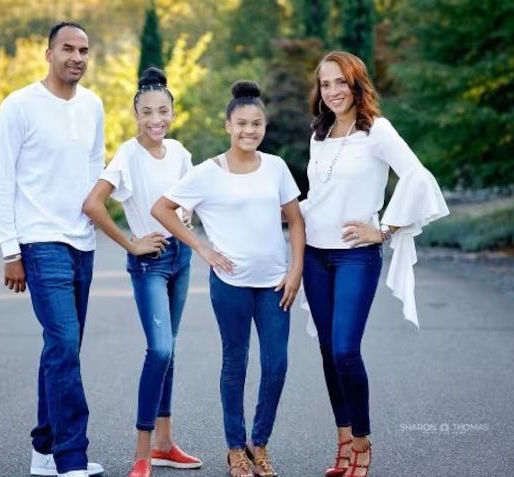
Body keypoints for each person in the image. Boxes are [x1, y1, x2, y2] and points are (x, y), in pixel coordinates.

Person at [300, 50, 449, 477]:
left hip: (356, 258)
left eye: (340, 82)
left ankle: (363, 439)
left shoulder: (376, 131)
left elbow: (418, 176)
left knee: (346, 349)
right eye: (325, 84)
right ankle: (342, 442)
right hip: (315, 253)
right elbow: (320, 195)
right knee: (328, 351)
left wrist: (383, 229)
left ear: (356, 83)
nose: (332, 92)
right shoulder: (320, 134)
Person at [152, 81, 305, 477]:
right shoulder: (207, 173)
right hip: (230, 285)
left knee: (277, 365)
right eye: (241, 124)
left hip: (275, 284)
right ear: (227, 126)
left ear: (264, 127)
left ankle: (260, 444)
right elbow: (163, 208)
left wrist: (295, 271)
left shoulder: (276, 167)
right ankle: (236, 449)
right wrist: (201, 248)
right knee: (235, 365)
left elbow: (295, 219)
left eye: (256, 124)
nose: (249, 131)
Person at [0, 22, 106, 477]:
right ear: (49, 53)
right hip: (40, 241)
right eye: (68, 49)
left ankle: (43, 451)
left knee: (60, 350)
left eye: (84, 51)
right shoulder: (19, 106)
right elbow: (0, 179)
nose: (77, 57)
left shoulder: (93, 105)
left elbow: (96, 167)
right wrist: (10, 250)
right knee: (64, 342)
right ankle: (70, 457)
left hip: (83, 242)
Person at [83, 67, 202, 477]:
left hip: (180, 259)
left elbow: (194, 201)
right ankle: (142, 450)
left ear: (172, 112)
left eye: (163, 111)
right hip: (149, 262)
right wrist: (132, 243)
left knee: (172, 349)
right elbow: (94, 204)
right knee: (161, 350)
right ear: (136, 114)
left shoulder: (181, 152)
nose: (156, 120)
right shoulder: (128, 156)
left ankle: (167, 445)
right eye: (147, 112)